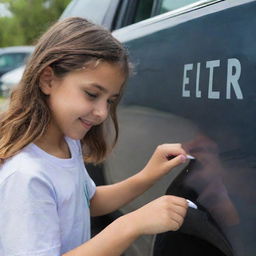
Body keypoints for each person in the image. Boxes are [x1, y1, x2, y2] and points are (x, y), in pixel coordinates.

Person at [0, 17, 189, 256]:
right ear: (48, 80)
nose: (102, 112)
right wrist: (130, 225)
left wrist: (147, 176)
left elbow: (85, 202)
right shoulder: (27, 177)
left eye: (110, 100)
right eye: (91, 94)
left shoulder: (68, 144)